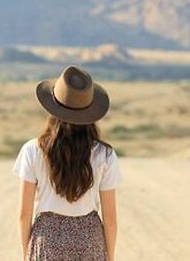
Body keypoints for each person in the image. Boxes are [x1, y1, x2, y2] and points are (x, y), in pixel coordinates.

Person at [12, 65, 122, 261]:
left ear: (52, 109)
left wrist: (26, 254)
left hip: (47, 240)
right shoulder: (105, 155)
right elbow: (111, 219)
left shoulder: (32, 149)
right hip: (89, 241)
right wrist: (110, 257)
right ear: (91, 112)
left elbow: (24, 213)